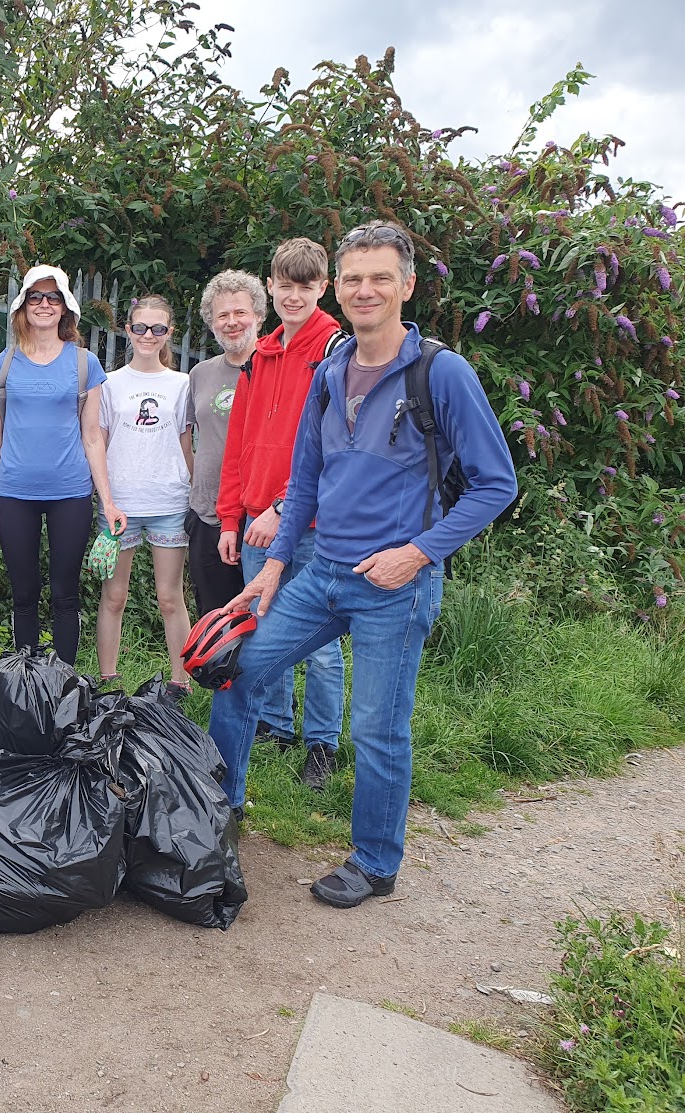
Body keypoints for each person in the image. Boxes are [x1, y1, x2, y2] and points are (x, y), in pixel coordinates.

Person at [211, 220, 517, 908]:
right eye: (354, 277)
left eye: (381, 276)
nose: (365, 289)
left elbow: (497, 483)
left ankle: (376, 861)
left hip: (394, 587)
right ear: (338, 288)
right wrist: (273, 564)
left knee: (378, 726)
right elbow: (307, 480)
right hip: (318, 575)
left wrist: (417, 554)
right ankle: (218, 808)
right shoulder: (329, 371)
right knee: (236, 674)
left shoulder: (441, 373)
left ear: (407, 285)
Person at [216, 237, 348, 790]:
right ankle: (272, 725)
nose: (295, 296)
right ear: (270, 287)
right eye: (285, 286)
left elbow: (334, 445)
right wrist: (231, 518)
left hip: (314, 524)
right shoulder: (260, 357)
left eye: (307, 286)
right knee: (262, 629)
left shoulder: (335, 350)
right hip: (254, 523)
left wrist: (279, 505)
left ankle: (321, 744)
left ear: (324, 288)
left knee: (319, 642)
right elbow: (238, 442)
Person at [0, 265, 119, 668]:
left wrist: (107, 501)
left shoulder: (84, 364)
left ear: (65, 309)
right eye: (35, 296)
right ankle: (28, 683)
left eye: (53, 298)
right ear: (22, 305)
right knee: (24, 593)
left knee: (64, 593)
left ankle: (64, 682)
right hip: (14, 492)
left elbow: (93, 438)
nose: (44, 304)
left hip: (70, 493)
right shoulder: (2, 366)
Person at [94, 295, 194, 691]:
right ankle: (107, 681)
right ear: (127, 330)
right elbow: (97, 443)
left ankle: (180, 682)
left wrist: (193, 491)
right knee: (113, 596)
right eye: (140, 327)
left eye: (157, 328)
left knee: (170, 598)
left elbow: (186, 442)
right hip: (118, 505)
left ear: (169, 333)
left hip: (169, 501)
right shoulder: (110, 383)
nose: (147, 335)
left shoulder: (182, 384)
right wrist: (105, 499)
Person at [186, 271, 264, 617]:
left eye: (240, 312)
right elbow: (192, 434)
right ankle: (219, 676)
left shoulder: (274, 368)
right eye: (222, 315)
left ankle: (257, 676)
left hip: (257, 517)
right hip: (207, 511)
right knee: (214, 617)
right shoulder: (200, 374)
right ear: (212, 323)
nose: (232, 322)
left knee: (261, 617)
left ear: (258, 315)